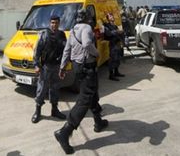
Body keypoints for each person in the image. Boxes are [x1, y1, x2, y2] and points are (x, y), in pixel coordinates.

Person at [54, 9, 108, 154]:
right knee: (85, 99)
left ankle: (98, 121)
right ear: (87, 18)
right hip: (87, 67)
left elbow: (67, 50)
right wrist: (96, 53)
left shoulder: (73, 30)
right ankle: (65, 132)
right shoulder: (87, 28)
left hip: (78, 67)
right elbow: (86, 44)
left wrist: (62, 67)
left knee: (92, 93)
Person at [31, 15, 67, 123]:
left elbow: (65, 50)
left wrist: (63, 67)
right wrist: (36, 65)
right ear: (49, 23)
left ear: (59, 23)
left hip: (57, 66)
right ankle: (38, 111)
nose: (54, 25)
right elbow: (37, 51)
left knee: (55, 88)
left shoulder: (62, 35)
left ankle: (54, 110)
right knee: (41, 89)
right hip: (45, 67)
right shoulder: (44, 34)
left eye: (56, 23)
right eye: (52, 22)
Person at [103, 13, 125, 81]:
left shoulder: (115, 25)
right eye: (110, 16)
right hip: (112, 44)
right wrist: (117, 31)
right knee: (112, 60)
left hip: (117, 43)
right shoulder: (106, 25)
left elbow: (119, 33)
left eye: (112, 15)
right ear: (108, 18)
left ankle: (116, 72)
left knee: (117, 59)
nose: (112, 17)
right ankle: (111, 75)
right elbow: (108, 33)